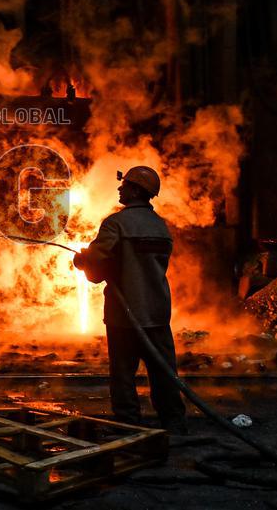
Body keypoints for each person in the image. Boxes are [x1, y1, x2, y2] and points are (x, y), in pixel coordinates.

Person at [73, 166, 187, 434]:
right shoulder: (160, 226)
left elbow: (98, 266)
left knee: (123, 372)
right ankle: (173, 420)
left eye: (125, 185)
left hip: (124, 315)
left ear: (136, 190)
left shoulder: (116, 223)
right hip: (157, 312)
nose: (120, 188)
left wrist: (82, 261)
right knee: (164, 372)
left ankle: (128, 423)